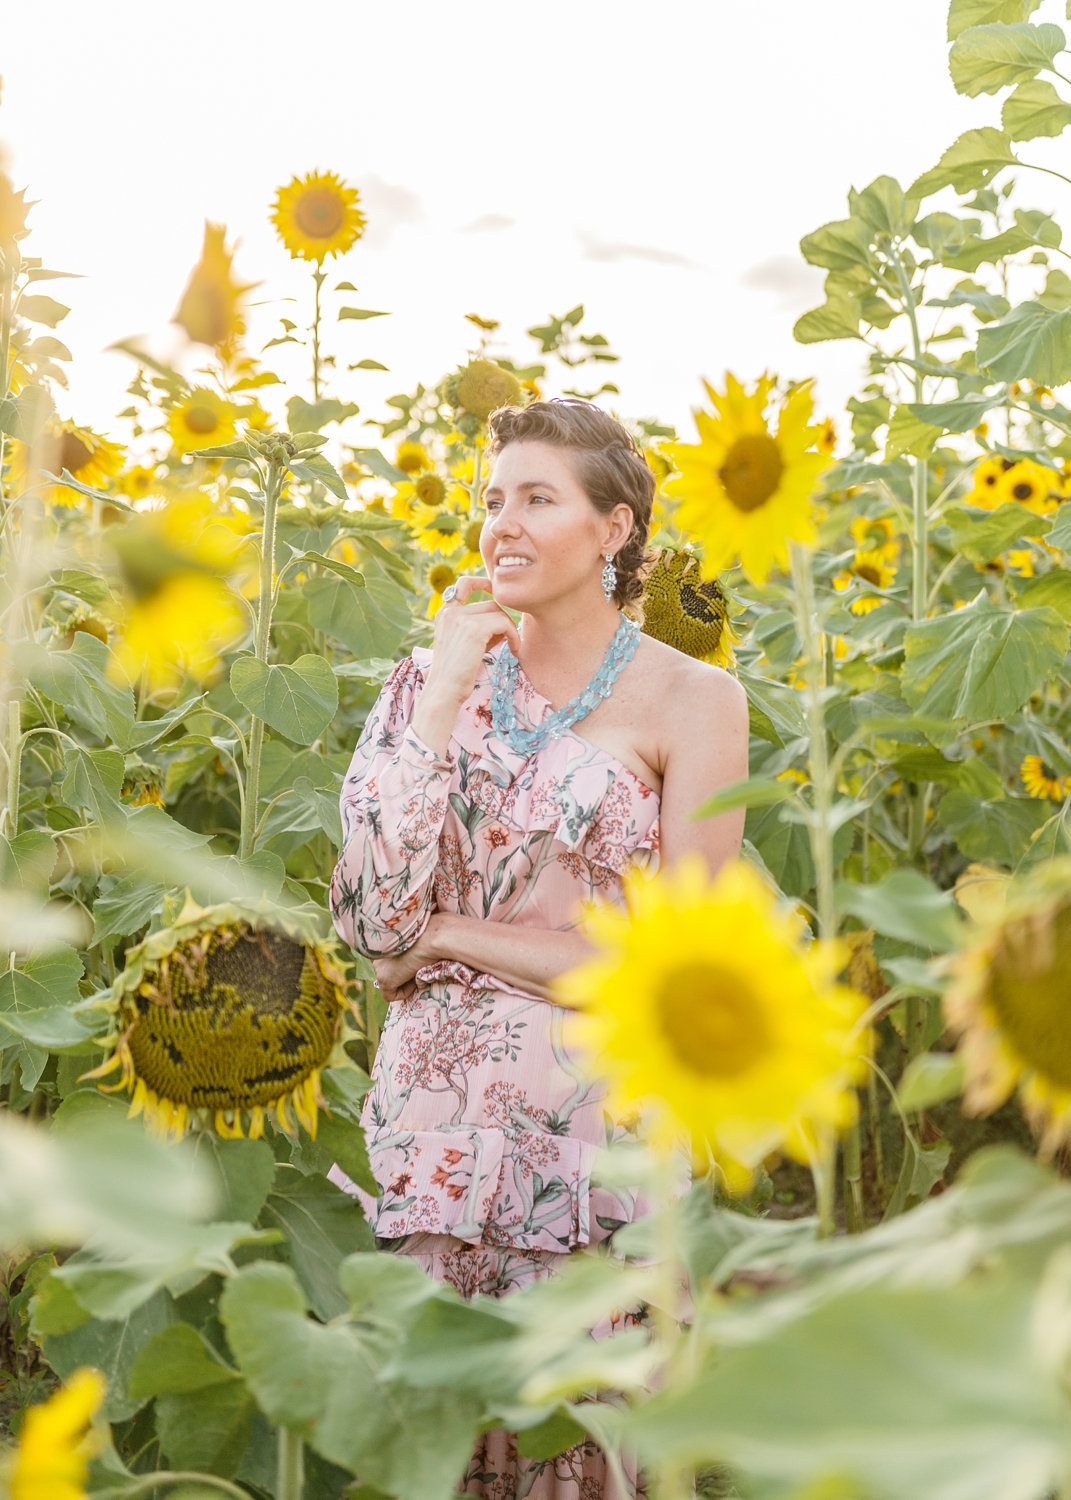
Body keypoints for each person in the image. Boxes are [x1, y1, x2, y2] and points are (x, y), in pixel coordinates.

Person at [329, 397, 748, 1499]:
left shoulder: (694, 698)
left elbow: (673, 964)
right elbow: (374, 923)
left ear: (613, 530)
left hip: (590, 1148)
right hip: (431, 1134)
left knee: (579, 1436)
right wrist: (445, 694)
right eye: (491, 500)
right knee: (436, 1437)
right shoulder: (429, 686)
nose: (500, 525)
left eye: (536, 499)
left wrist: (453, 937)